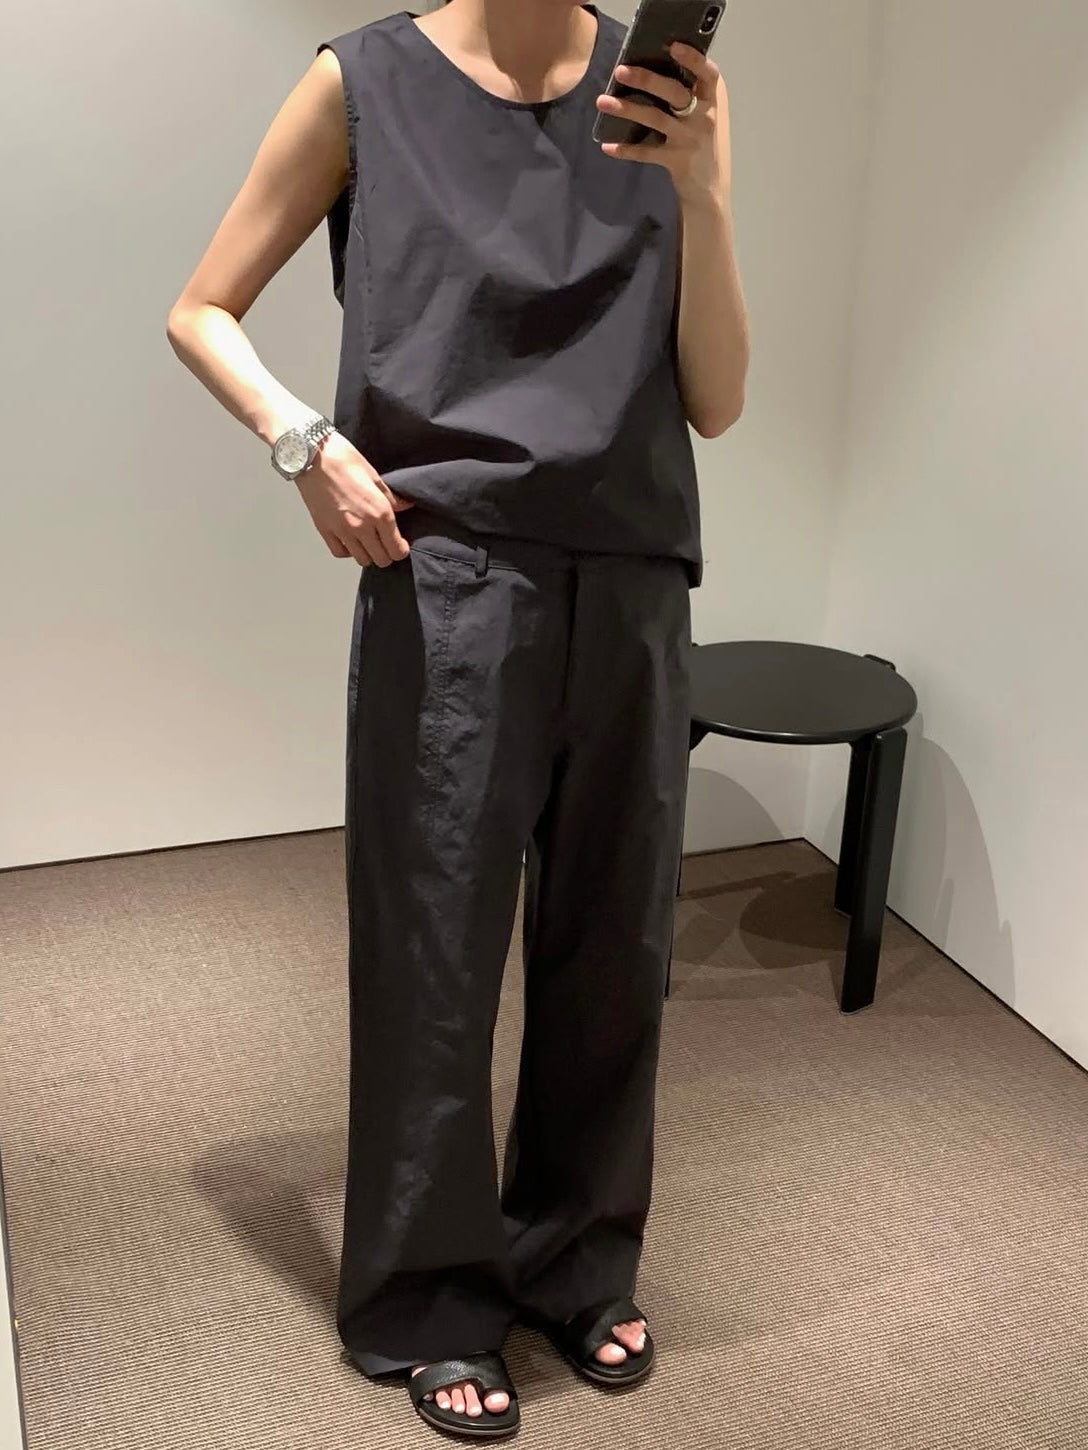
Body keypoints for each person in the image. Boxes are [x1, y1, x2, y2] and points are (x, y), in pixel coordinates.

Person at [167, 0, 748, 1437]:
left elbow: (719, 399)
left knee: (616, 945)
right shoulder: (361, 84)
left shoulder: (666, 90)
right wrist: (305, 445)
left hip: (635, 576)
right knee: (433, 951)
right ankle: (430, 1295)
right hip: (455, 581)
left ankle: (575, 1257)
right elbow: (201, 308)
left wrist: (705, 191)